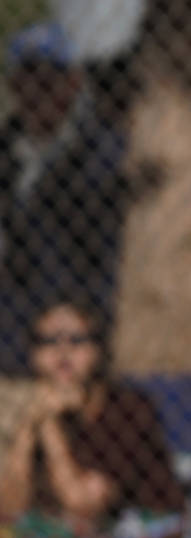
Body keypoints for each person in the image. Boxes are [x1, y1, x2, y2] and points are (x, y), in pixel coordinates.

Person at [0, 299, 183, 538]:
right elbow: (10, 506)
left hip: (133, 536)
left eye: (76, 340)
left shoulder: (125, 410)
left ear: (98, 350)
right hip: (60, 536)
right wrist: (31, 426)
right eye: (48, 342)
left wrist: (50, 429)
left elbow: (84, 505)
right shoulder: (35, 411)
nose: (63, 353)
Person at [0, 21, 128, 374]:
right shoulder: (8, 152)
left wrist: (72, 319)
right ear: (13, 86)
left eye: (50, 80)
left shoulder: (103, 154)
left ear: (73, 84)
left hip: (74, 324)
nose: (38, 92)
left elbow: (108, 261)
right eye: (27, 79)